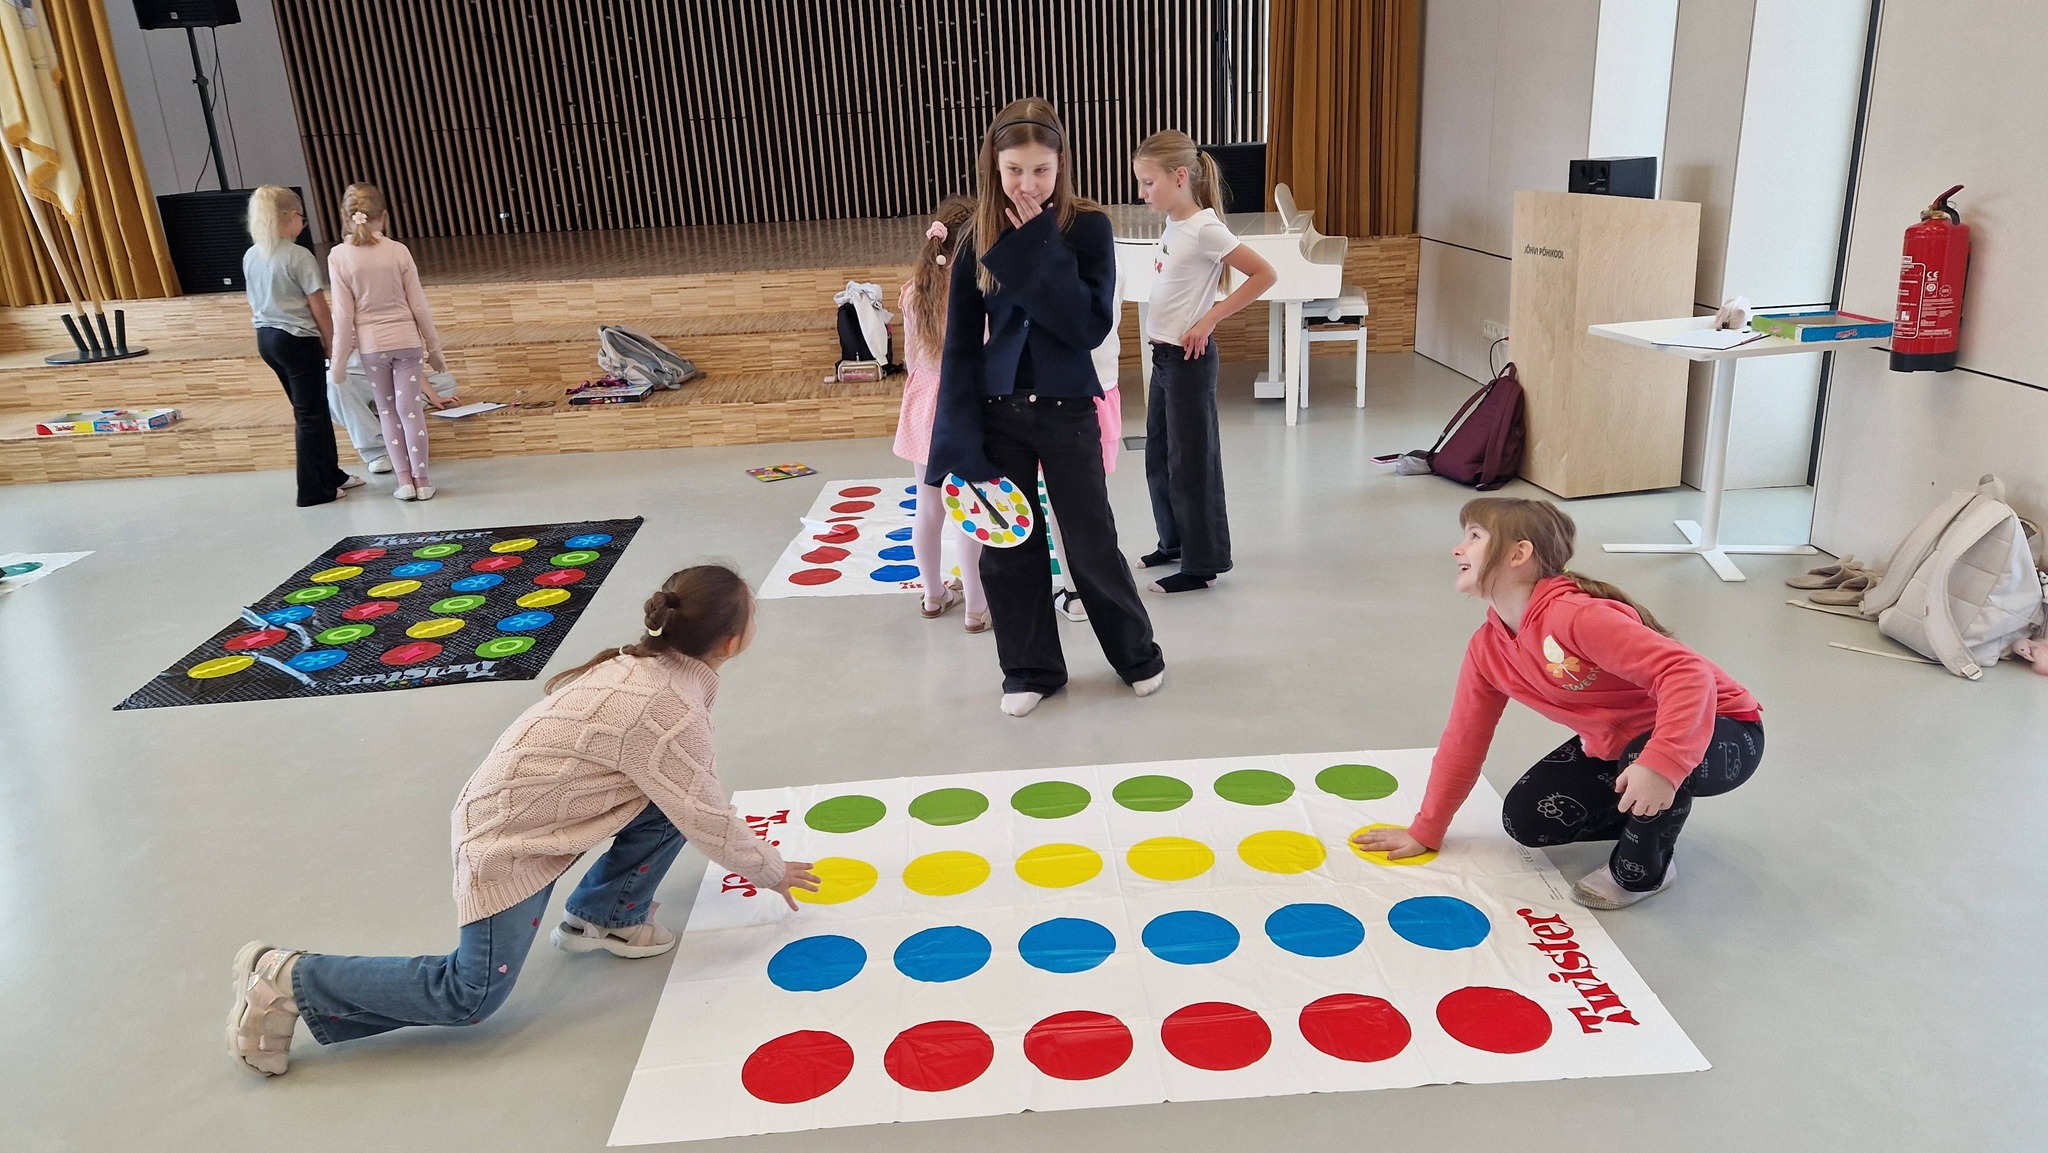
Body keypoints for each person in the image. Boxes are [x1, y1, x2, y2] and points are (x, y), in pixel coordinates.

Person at [225, 566, 822, 1075]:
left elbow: (687, 799)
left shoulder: (646, 666)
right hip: (507, 843)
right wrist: (769, 870)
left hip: (529, 813)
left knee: (670, 801)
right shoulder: (667, 709)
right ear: (733, 643)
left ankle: (606, 918)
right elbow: (707, 815)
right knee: (470, 995)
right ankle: (288, 976)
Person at [1352, 499, 1765, 909]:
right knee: (1527, 821)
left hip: (1722, 724)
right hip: (1624, 745)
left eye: (1474, 536)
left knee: (1646, 757)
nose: (1457, 549)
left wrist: (1661, 764)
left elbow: (1687, 673)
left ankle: (1643, 872)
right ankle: (1652, 809)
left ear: (1519, 554)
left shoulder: (1575, 615)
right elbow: (1463, 741)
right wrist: (1426, 829)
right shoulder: (1486, 649)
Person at [926, 98, 1165, 718]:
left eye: (1041, 170)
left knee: (1091, 541)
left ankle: (1137, 656)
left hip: (1067, 408)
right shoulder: (976, 235)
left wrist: (1038, 244)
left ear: (1062, 166)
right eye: (1014, 170)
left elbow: (1085, 326)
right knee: (1009, 548)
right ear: (994, 167)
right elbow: (960, 347)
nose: (1027, 184)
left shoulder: (1088, 227)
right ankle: (1030, 670)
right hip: (997, 411)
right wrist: (955, 442)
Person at [1129, 131, 1276, 593]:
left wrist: (1210, 318)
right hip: (1163, 357)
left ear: (1179, 177)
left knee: (1192, 463)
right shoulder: (1174, 224)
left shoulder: (1205, 228)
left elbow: (1265, 274)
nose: (1142, 192)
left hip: (1187, 361)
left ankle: (1201, 564)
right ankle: (1174, 543)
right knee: (1159, 456)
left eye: (1148, 182)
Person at [895, 197, 989, 632]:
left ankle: (933, 595)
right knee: (969, 508)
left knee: (927, 506)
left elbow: (911, 358)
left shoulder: (914, 291)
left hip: (922, 400)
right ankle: (976, 607)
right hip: (965, 403)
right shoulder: (978, 289)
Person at [327, 183, 453, 501]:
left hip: (372, 350)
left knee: (387, 412)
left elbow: (342, 316)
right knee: (410, 412)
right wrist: (435, 349)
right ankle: (423, 481)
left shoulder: (339, 256)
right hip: (408, 345)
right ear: (383, 216)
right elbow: (419, 305)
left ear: (344, 217)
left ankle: (404, 482)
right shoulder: (398, 251)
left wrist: (338, 362)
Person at [243, 186, 358, 507]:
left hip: (267, 338)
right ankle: (312, 491)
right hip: (297, 340)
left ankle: (332, 475)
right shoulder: (298, 256)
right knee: (310, 415)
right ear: (291, 217)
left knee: (312, 409)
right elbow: (319, 308)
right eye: (303, 218)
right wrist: (333, 344)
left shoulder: (252, 254)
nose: (303, 225)